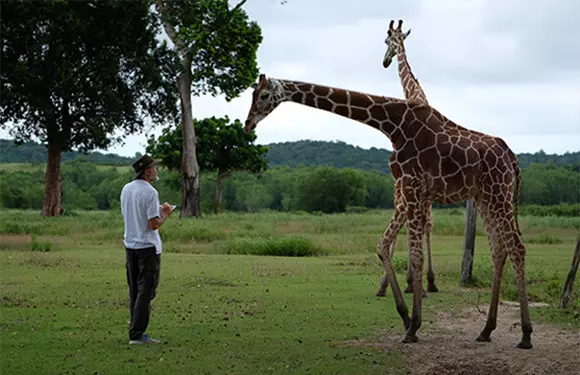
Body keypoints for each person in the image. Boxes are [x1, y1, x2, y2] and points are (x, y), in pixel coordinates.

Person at [120, 154, 174, 344]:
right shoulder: (150, 192)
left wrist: (157, 209)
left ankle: (134, 328)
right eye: (154, 168)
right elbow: (153, 224)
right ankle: (137, 333)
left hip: (131, 246)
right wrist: (165, 214)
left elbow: (135, 214)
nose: (156, 171)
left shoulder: (127, 189)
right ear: (147, 171)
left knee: (135, 289)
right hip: (148, 248)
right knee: (146, 291)